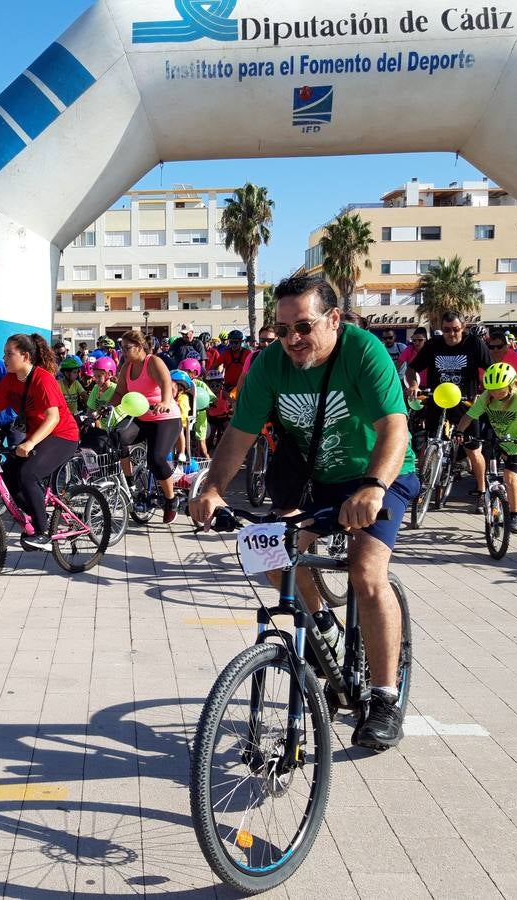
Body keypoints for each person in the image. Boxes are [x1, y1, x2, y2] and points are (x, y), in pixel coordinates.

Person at [191, 273, 419, 751]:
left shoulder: (363, 352)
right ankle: (322, 629)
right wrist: (212, 487)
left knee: (366, 570)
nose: (292, 339)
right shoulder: (271, 364)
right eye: (282, 329)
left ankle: (384, 697)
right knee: (270, 553)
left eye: (303, 327)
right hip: (316, 478)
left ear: (334, 319)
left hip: (379, 473)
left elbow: (394, 427)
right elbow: (239, 435)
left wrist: (375, 487)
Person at [0, 333, 79, 551]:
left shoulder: (42, 379)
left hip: (63, 435)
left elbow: (53, 417)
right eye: (4, 353)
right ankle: (38, 517)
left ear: (25, 356)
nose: (4, 358)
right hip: (37, 437)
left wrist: (30, 443)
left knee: (28, 474)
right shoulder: (8, 381)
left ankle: (43, 533)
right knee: (9, 478)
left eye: (9, 354)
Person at [403, 310, 492, 511]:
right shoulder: (433, 345)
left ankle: (482, 491)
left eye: (455, 330)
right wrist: (413, 386)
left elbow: (491, 369)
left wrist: (484, 393)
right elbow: (411, 369)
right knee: (432, 442)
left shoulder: (474, 344)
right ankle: (429, 482)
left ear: (464, 328)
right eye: (446, 330)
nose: (451, 334)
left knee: (473, 449)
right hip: (438, 400)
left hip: (465, 403)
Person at [454, 362, 517, 533]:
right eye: (492, 389)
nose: (495, 393)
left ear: (511, 385)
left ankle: (515, 516)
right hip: (501, 439)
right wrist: (459, 431)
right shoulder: (487, 396)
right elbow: (469, 415)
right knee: (506, 459)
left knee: (509, 476)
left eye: (500, 389)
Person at [110, 330, 183, 523]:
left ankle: (171, 500)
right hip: (142, 418)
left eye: (127, 348)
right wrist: (104, 406)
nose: (123, 352)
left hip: (165, 418)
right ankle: (130, 481)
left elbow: (166, 383)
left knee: (156, 458)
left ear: (140, 347)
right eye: (122, 348)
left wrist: (165, 402)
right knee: (117, 436)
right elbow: (119, 393)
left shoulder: (153, 362)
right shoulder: (127, 367)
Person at [485, 327, 517, 392]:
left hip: (512, 396)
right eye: (491, 347)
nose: (495, 349)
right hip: (489, 397)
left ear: (506, 346)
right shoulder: (483, 358)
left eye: (499, 346)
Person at [217, 330, 251, 394]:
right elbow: (215, 366)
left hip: (243, 387)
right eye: (231, 342)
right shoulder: (226, 353)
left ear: (241, 342)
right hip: (228, 387)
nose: (233, 345)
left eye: (235, 342)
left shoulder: (247, 353)